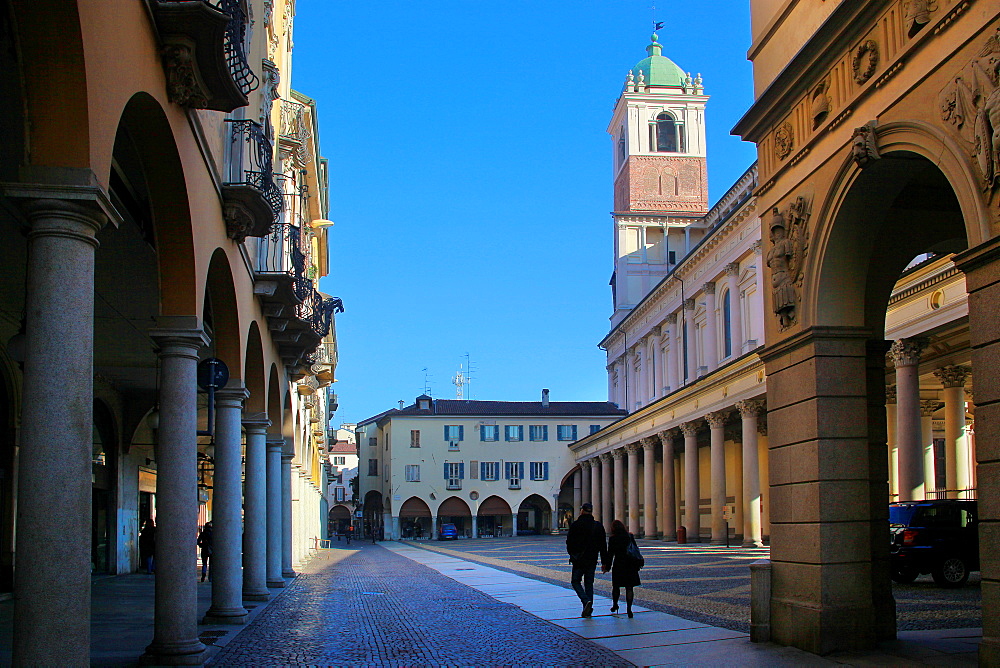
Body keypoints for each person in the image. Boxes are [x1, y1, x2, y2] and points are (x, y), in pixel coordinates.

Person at [565, 502, 607, 618]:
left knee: (575, 581)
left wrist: (573, 554)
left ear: (582, 511)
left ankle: (585, 601)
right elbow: (603, 546)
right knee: (589, 584)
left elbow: (569, 542)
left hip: (578, 560)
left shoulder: (576, 525)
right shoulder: (598, 526)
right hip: (592, 559)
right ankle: (588, 607)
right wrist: (605, 562)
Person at [603, 519, 641, 618]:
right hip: (630, 564)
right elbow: (635, 549)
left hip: (619, 564)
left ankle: (615, 605)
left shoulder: (613, 539)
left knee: (616, 587)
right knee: (629, 588)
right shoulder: (629, 536)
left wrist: (607, 567)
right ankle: (629, 609)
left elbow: (610, 554)